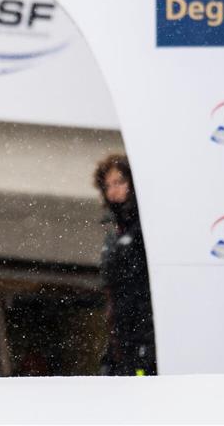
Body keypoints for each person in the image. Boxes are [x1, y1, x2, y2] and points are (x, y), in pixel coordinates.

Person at [94, 154, 156, 376]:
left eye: (119, 182)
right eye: (108, 185)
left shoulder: (145, 226)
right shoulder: (115, 230)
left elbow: (144, 289)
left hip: (144, 334)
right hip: (123, 333)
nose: (113, 190)